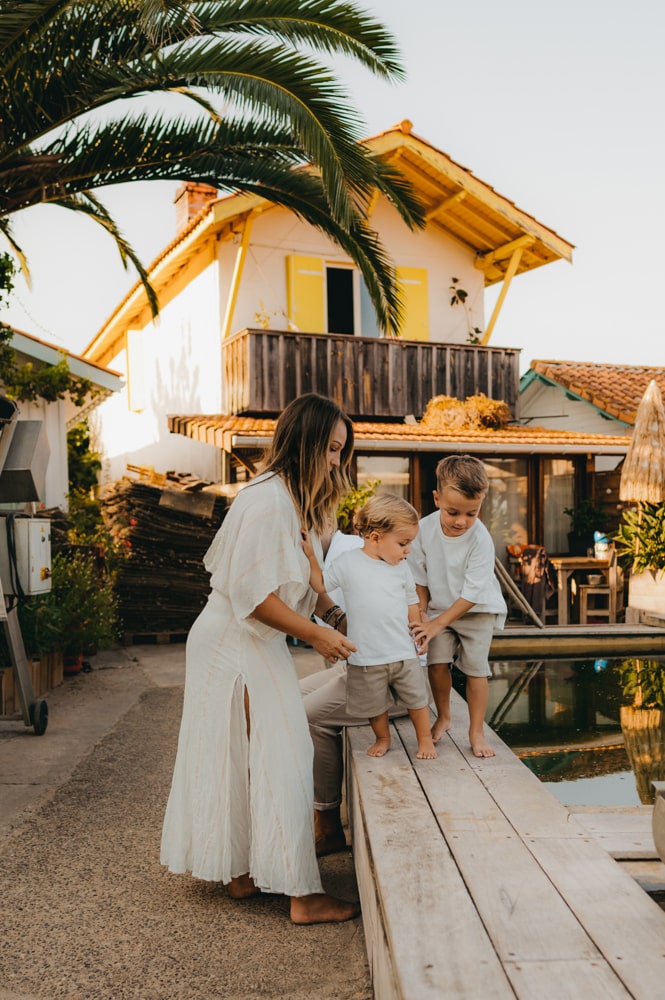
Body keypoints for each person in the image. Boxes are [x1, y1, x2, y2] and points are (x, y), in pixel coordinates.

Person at [160, 393, 361, 925]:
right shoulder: (267, 501)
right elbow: (254, 596)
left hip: (246, 640)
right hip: (236, 640)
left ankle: (243, 873)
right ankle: (302, 895)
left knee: (243, 753)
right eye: (332, 449)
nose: (337, 462)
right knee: (285, 752)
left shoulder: (290, 502)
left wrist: (330, 611)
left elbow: (301, 585)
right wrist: (318, 637)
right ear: (307, 443)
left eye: (342, 451)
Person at [305, 495, 436, 760]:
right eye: (403, 543)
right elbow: (319, 585)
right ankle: (383, 737)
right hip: (366, 656)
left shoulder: (400, 567)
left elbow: (411, 598)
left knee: (417, 699)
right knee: (373, 703)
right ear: (375, 538)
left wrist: (417, 626)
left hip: (402, 652)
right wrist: (310, 556)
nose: (407, 550)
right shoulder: (348, 563)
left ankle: (425, 739)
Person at [408, 454, 506, 758]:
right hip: (439, 608)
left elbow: (474, 591)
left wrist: (437, 623)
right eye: (453, 512)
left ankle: (476, 732)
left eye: (471, 513)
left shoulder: (480, 538)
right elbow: (419, 580)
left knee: (476, 670)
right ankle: (445, 716)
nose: (461, 521)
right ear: (437, 498)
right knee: (437, 664)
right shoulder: (422, 530)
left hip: (477, 609)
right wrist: (424, 615)